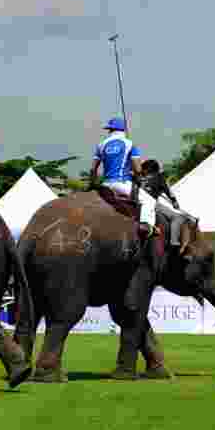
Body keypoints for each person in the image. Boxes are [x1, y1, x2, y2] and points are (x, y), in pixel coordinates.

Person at [89, 117, 155, 309]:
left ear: (111, 130)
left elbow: (93, 169)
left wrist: (92, 184)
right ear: (123, 130)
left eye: (109, 129)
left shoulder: (101, 145)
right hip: (121, 184)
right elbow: (136, 168)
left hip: (105, 184)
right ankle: (146, 228)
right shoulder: (130, 144)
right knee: (149, 201)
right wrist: (138, 175)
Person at [137, 159, 193, 252]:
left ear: (145, 169)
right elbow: (170, 193)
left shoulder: (138, 178)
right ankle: (174, 242)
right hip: (151, 204)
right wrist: (175, 202)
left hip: (135, 201)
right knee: (177, 217)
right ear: (156, 169)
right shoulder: (160, 178)